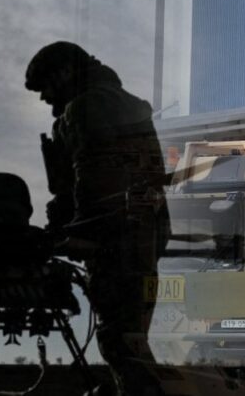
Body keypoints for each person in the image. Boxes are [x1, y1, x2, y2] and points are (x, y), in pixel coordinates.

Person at [25, 42, 170, 396]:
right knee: (132, 337)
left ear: (64, 73)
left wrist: (77, 229)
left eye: (45, 86)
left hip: (112, 241)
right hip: (142, 235)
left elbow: (93, 177)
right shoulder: (127, 105)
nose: (44, 97)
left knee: (118, 340)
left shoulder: (85, 107)